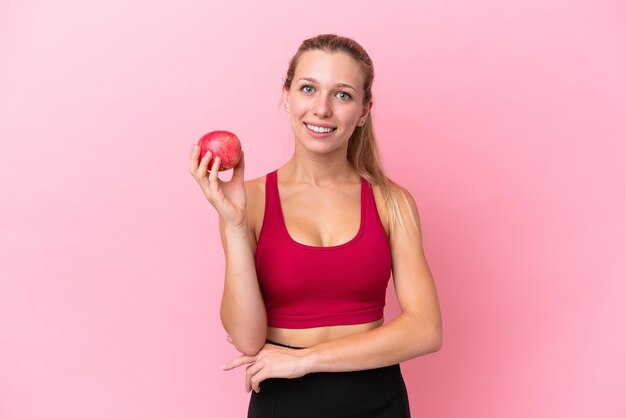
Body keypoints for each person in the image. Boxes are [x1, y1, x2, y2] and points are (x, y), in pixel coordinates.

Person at [189, 33, 442, 418]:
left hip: (378, 399)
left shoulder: (392, 202)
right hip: (282, 402)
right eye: (308, 88)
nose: (321, 109)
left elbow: (425, 329)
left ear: (363, 110)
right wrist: (236, 225)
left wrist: (305, 360)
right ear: (287, 95)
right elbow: (247, 338)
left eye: (342, 95)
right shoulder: (248, 201)